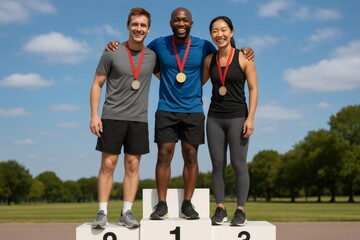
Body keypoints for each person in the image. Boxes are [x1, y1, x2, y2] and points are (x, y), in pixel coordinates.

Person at [105, 7, 254, 221]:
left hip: (193, 109)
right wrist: (114, 45)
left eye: (185, 20)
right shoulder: (159, 44)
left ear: (191, 23)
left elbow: (224, 56)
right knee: (164, 154)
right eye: (177, 20)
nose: (181, 24)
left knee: (190, 156)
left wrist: (246, 50)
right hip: (166, 108)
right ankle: (162, 204)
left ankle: (187, 204)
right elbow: (137, 54)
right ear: (171, 22)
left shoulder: (204, 45)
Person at [89, 7, 157, 229]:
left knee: (132, 165)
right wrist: (94, 115)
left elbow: (174, 70)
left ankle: (126, 211)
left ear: (148, 29)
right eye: (135, 24)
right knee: (108, 164)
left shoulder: (152, 57)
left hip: (139, 119)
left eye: (143, 25)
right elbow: (97, 83)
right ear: (128, 26)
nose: (139, 29)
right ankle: (102, 212)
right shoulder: (112, 51)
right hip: (112, 116)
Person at [202, 16, 258, 226]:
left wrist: (250, 117)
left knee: (238, 164)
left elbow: (253, 89)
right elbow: (196, 82)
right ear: (211, 35)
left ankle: (241, 210)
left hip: (238, 117)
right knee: (217, 165)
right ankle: (220, 208)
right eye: (215, 31)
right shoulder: (209, 60)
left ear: (232, 32)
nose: (220, 34)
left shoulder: (244, 57)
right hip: (214, 118)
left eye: (224, 30)